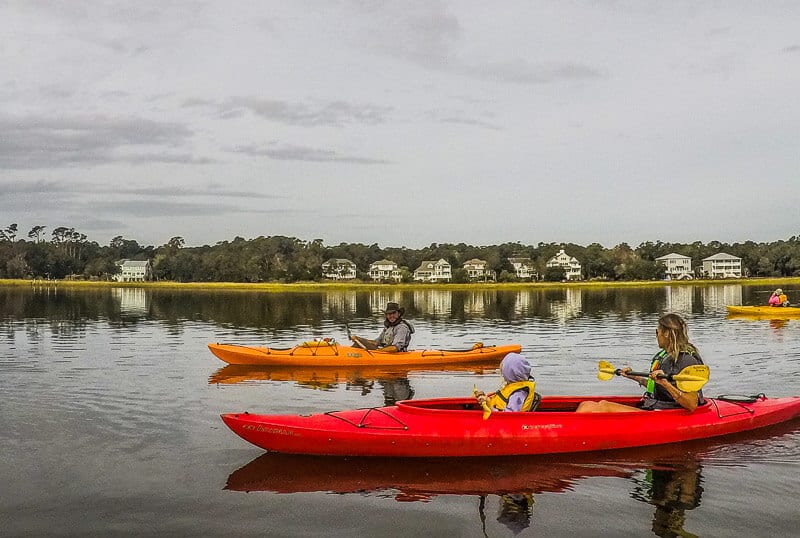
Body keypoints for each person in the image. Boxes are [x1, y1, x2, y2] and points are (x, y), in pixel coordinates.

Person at [576, 313, 705, 413]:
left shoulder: (687, 360)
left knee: (600, 406)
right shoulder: (664, 356)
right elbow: (657, 389)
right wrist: (636, 377)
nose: (656, 336)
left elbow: (691, 404)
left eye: (657, 332)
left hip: (666, 413)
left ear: (666, 333)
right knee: (585, 404)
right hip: (654, 406)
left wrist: (665, 383)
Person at [350, 302, 414, 352]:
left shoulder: (402, 328)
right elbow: (376, 343)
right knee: (358, 343)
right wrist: (358, 339)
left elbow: (395, 348)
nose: (391, 316)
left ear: (399, 314)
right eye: (389, 314)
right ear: (386, 315)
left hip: (395, 355)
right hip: (384, 352)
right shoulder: (388, 327)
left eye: (394, 313)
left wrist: (377, 352)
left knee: (358, 345)